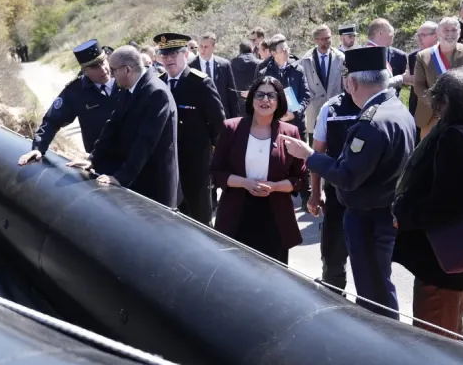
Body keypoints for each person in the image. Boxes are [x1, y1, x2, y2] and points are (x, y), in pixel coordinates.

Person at [279, 46, 416, 319]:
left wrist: (309, 156)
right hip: (386, 211)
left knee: (373, 291)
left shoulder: (371, 123)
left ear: (351, 83)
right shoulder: (397, 108)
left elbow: (346, 176)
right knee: (378, 283)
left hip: (369, 217)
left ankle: (382, 337)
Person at [392, 67, 463, 339]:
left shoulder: (455, 137)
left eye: (438, 101)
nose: (435, 109)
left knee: (433, 340)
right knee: (451, 327)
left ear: (449, 101)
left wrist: (404, 213)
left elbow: (446, 204)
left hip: (443, 260)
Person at [66, 46, 180, 208]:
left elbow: (145, 142)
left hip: (154, 183)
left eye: (113, 70)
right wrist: (92, 159)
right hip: (136, 177)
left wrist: (121, 177)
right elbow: (112, 125)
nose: (111, 74)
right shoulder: (130, 88)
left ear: (127, 70)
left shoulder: (157, 93)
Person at [210, 77, 307, 264]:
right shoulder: (231, 128)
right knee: (235, 270)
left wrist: (274, 187)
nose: (265, 100)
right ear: (251, 98)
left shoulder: (290, 132)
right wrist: (244, 183)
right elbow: (216, 172)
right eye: (260, 95)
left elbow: (300, 179)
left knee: (272, 273)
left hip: (275, 216)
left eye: (271, 96)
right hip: (236, 213)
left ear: (279, 100)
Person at [155, 32, 226, 225]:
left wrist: (213, 157)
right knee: (172, 219)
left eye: (173, 54)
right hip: (168, 165)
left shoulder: (200, 83)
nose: (168, 59)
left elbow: (219, 125)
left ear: (185, 54)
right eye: (164, 55)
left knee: (199, 217)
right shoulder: (158, 84)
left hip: (196, 165)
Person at [18, 39, 119, 165]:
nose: (103, 69)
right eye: (94, 66)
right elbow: (52, 121)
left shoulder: (125, 77)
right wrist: (38, 148)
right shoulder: (76, 92)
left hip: (135, 156)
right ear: (84, 70)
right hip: (102, 160)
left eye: (103, 62)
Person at [308, 72, 361, 294]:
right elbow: (317, 153)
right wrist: (316, 192)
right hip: (337, 195)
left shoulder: (383, 108)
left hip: (371, 199)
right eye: (347, 76)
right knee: (332, 259)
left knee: (369, 268)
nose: (350, 82)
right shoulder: (330, 109)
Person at [413, 17, 463, 140]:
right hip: (430, 114)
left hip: (461, 115)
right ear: (438, 33)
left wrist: (454, 107)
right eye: (446, 30)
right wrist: (436, 104)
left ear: (459, 32)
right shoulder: (424, 56)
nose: (450, 34)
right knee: (430, 151)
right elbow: (418, 85)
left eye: (454, 30)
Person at [300, 25, 345, 145]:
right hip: (314, 112)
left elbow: (345, 85)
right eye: (322, 39)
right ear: (315, 40)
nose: (326, 42)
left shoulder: (340, 58)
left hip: (335, 110)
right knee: (315, 148)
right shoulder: (305, 60)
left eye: (328, 38)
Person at [258, 34, 310, 135]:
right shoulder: (264, 74)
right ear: (273, 53)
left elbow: (306, 95)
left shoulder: (298, 70)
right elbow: (261, 99)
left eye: (287, 49)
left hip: (296, 125)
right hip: (274, 125)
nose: (287, 52)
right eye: (283, 50)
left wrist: (295, 113)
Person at [190, 32, 240, 119]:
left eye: (206, 47)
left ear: (214, 47)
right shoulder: (190, 66)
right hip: (199, 117)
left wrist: (235, 118)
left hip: (222, 115)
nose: (202, 49)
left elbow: (232, 94)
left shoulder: (224, 65)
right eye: (201, 46)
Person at [407, 21, 439, 134]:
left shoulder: (444, 54)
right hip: (418, 107)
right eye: (418, 35)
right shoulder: (412, 56)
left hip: (440, 107)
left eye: (423, 35)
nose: (419, 39)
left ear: (436, 36)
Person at [363, 18, 408, 94]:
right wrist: (402, 78)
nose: (392, 35)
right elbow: (377, 85)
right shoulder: (371, 53)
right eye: (389, 31)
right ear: (380, 33)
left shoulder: (372, 51)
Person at [231, 39, 262, 116]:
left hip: (237, 105)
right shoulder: (260, 64)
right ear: (252, 49)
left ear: (240, 50)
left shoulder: (231, 64)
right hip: (256, 104)